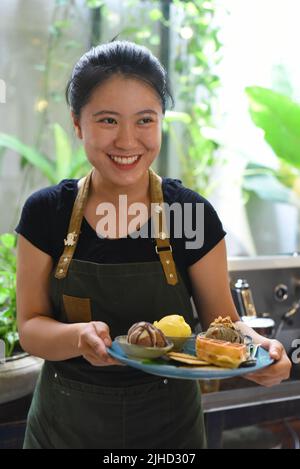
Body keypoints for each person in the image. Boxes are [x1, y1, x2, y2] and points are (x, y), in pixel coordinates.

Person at [16, 40, 291, 450]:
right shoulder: (46, 213)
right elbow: (30, 327)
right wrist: (78, 337)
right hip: (65, 425)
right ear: (77, 123)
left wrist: (261, 351)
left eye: (145, 120)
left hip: (168, 429)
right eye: (108, 120)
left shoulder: (191, 214)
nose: (127, 141)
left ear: (161, 120)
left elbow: (224, 324)